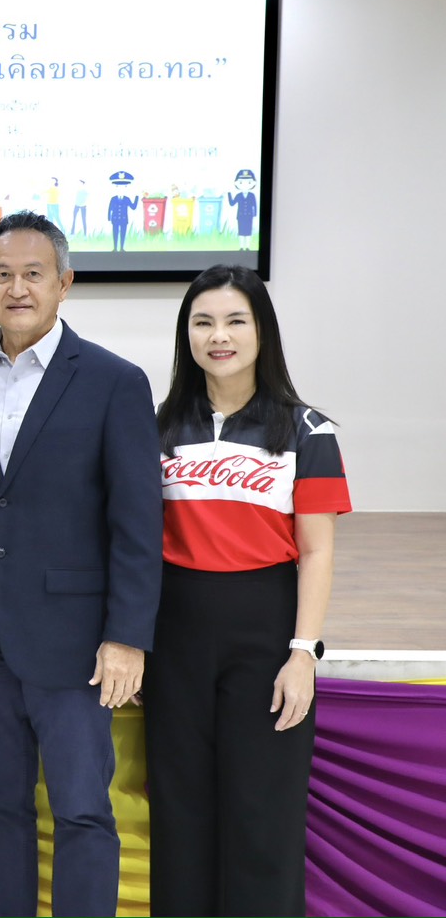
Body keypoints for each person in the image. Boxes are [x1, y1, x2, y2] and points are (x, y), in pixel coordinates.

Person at [0, 211, 162, 917]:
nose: (17, 288)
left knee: (82, 812)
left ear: (65, 282)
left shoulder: (113, 381)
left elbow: (137, 523)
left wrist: (127, 637)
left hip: (76, 645)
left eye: (33, 274)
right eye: (1, 274)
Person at [148, 264, 349, 916]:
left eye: (236, 320)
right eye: (202, 322)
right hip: (173, 635)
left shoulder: (307, 429)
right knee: (179, 815)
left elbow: (316, 550)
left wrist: (302, 653)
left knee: (262, 817)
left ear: (262, 331)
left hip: (265, 636)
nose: (219, 336)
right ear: (185, 335)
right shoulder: (154, 427)